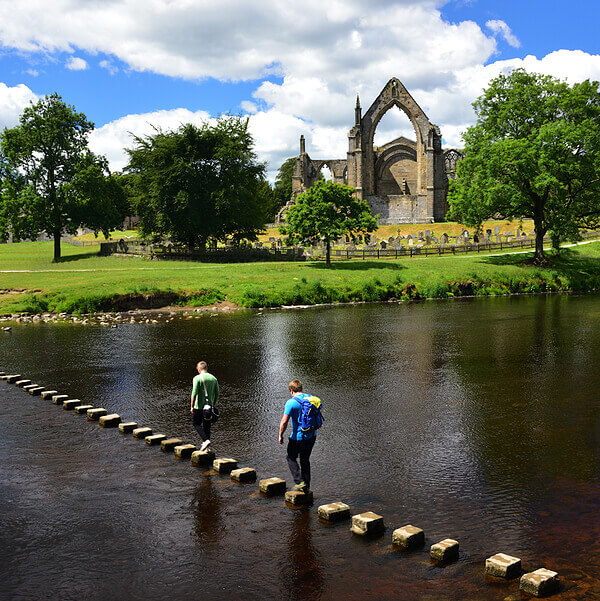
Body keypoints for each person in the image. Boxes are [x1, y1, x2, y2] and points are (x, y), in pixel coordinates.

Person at [278, 379, 319, 493]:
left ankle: (299, 482)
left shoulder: (291, 402)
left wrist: (280, 435)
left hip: (298, 437)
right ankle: (306, 486)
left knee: (291, 457)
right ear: (301, 389)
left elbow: (284, 422)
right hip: (312, 436)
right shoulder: (310, 398)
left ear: (291, 391)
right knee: (305, 459)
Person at [190, 361, 219, 452]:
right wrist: (213, 403)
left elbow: (194, 393)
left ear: (199, 369)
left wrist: (191, 406)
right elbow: (217, 393)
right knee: (207, 425)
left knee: (196, 424)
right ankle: (207, 448)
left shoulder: (197, 378)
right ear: (206, 368)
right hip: (209, 406)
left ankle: (206, 441)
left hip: (199, 406)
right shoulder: (213, 378)